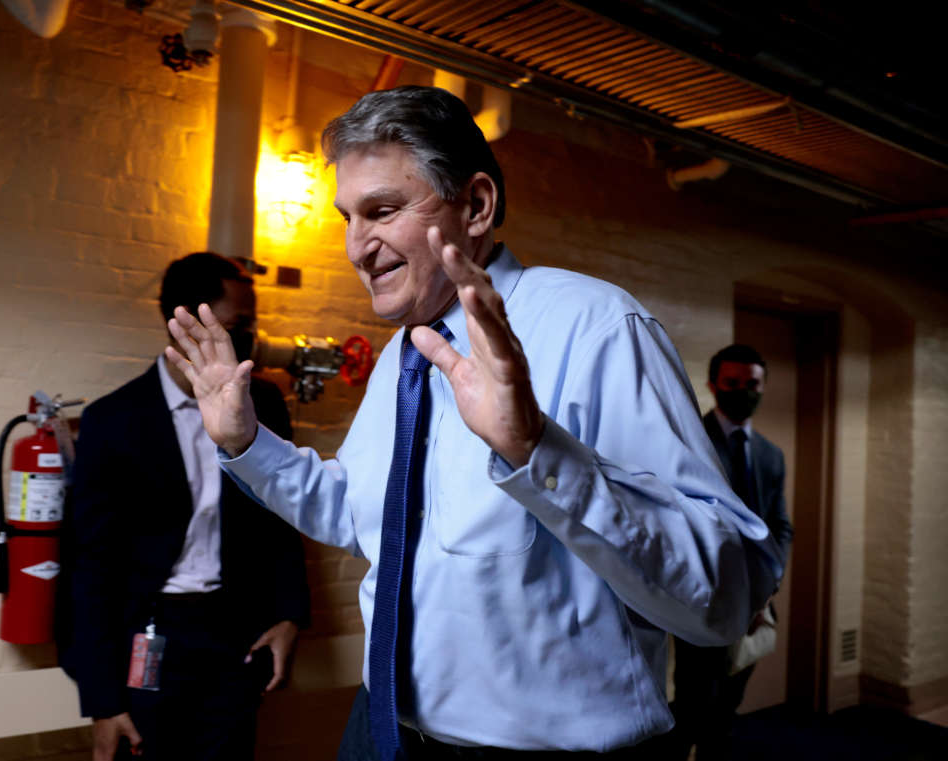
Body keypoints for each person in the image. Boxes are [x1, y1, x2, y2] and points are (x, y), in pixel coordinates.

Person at [165, 86, 784, 758]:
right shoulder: (402, 354)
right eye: (347, 217)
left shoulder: (598, 326)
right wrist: (245, 443)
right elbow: (356, 512)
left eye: (382, 211)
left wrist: (535, 449)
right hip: (381, 730)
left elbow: (724, 597)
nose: (355, 248)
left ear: (477, 205)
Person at [61, 252, 310, 761]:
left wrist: (289, 616)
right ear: (189, 323)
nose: (252, 338)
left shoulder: (262, 403)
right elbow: (89, 567)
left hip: (237, 638)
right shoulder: (114, 420)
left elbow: (282, 516)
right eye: (240, 324)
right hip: (151, 635)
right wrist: (103, 702)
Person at [669, 344, 794, 760]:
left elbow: (779, 526)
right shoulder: (688, 444)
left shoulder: (770, 455)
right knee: (691, 708)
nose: (744, 391)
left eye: (752, 384)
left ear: (763, 387)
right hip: (703, 601)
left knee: (726, 710)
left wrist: (767, 588)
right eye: (733, 384)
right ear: (713, 385)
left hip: (757, 603)